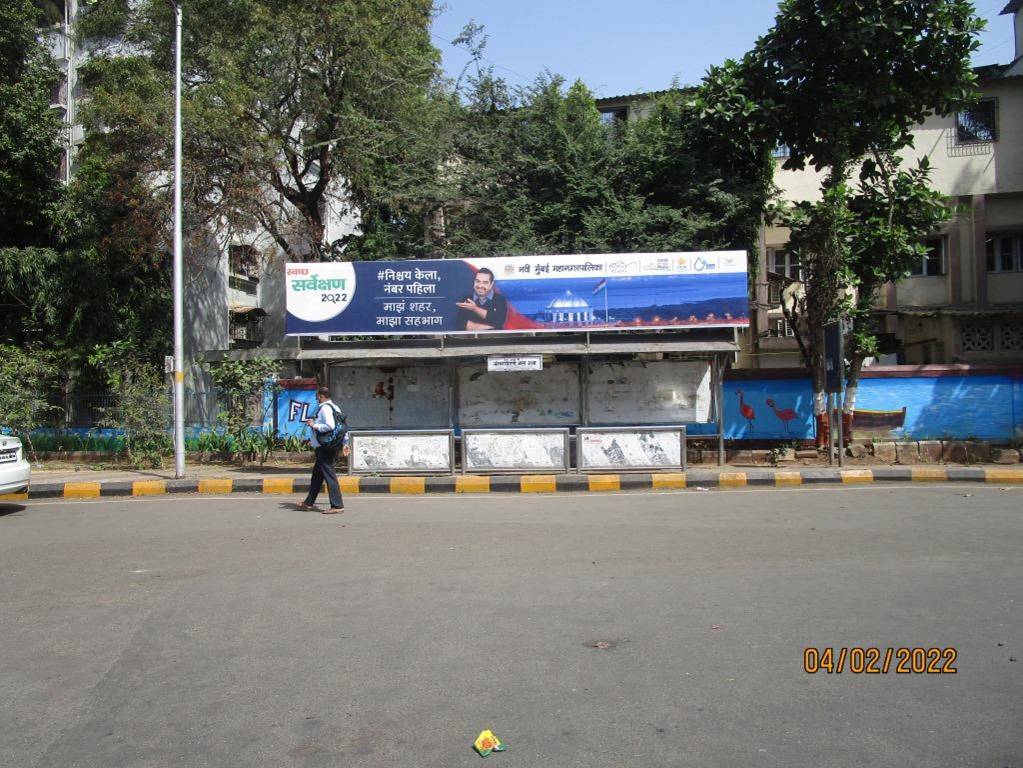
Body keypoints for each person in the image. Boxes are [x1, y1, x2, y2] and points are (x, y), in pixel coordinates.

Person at [299, 387, 350, 514]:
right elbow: (342, 427)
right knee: (317, 475)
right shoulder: (335, 408)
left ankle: (337, 505)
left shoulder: (325, 408)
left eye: (317, 397)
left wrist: (314, 425)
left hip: (325, 447)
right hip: (330, 446)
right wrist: (345, 443)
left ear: (321, 396)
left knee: (329, 475)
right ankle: (308, 502)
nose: (316, 399)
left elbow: (330, 426)